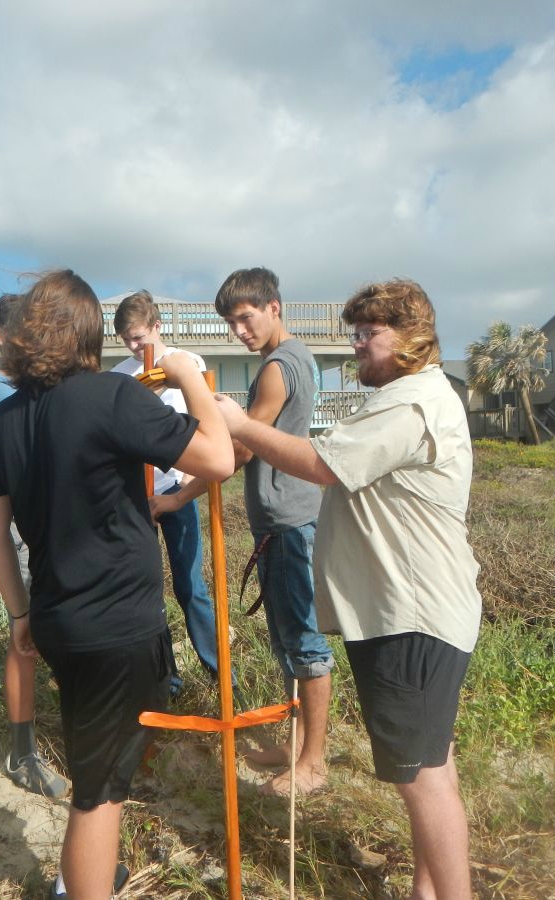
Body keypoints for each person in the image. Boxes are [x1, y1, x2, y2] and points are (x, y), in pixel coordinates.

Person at [215, 279, 481, 900]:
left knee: (424, 778)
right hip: (414, 610)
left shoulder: (411, 403)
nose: (357, 346)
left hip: (409, 614)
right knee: (430, 764)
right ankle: (427, 888)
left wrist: (238, 423)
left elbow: (322, 465)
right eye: (355, 333)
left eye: (370, 335)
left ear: (412, 338)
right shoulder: (410, 395)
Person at [0, 271, 233, 900]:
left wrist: (19, 614)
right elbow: (218, 458)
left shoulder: (2, 421)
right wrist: (189, 379)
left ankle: (85, 875)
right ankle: (80, 886)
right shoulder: (111, 397)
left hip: (57, 618)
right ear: (89, 333)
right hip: (117, 625)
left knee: (96, 764)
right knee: (100, 790)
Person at [205, 266, 335, 799]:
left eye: (246, 317)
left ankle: (314, 763)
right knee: (287, 641)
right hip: (283, 522)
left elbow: (239, 447)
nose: (239, 330)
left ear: (274, 307)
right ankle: (296, 741)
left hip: (289, 522)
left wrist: (180, 489)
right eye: (231, 323)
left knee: (305, 644)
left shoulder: (279, 369)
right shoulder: (295, 358)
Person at [0, 292, 67, 799]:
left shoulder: (41, 386)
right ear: (2, 338)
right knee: (23, 634)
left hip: (52, 529)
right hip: (18, 533)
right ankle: (21, 749)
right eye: (28, 331)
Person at [110, 291, 222, 691]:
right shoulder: (120, 377)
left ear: (158, 326)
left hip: (177, 490)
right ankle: (165, 682)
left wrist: (186, 491)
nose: (134, 346)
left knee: (191, 588)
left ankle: (221, 677)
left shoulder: (189, 366)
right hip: (135, 498)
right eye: (126, 339)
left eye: (139, 336)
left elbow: (206, 427)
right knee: (147, 593)